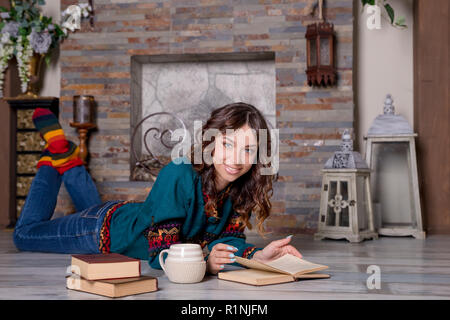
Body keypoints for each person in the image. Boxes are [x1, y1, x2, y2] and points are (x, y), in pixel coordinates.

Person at [13, 102, 302, 275]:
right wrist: (206, 262)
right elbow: (159, 256)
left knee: (87, 205)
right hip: (102, 232)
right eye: (227, 144)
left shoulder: (241, 190)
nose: (236, 159)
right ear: (211, 142)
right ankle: (56, 152)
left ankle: (67, 159)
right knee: (25, 235)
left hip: (124, 215)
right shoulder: (178, 173)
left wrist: (257, 256)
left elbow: (228, 242)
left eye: (248, 150)